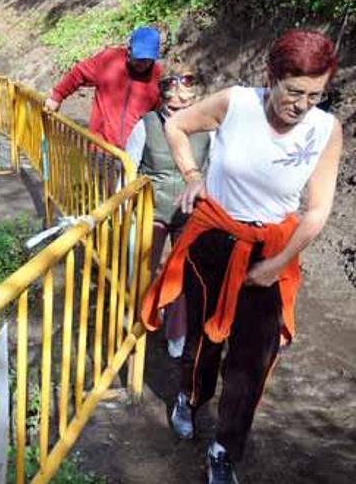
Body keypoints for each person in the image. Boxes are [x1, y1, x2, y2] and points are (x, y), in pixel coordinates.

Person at [140, 30, 344, 484]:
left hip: (273, 250)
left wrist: (277, 264)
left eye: (315, 95)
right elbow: (176, 126)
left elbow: (319, 209)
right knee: (203, 344)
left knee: (254, 357)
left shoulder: (325, 130)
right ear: (271, 77)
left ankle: (224, 448)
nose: (302, 105)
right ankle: (190, 400)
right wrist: (192, 174)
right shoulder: (236, 103)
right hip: (214, 239)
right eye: (294, 92)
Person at [126, 61, 210, 359]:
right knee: (143, 266)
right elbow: (128, 168)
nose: (178, 109)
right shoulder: (146, 124)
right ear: (162, 98)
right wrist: (125, 206)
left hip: (190, 212)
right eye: (171, 104)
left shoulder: (207, 129)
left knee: (185, 273)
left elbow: (214, 170)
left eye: (185, 103)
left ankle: (177, 334)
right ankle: (137, 319)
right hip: (152, 208)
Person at [44, 26, 164, 149]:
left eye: (147, 60)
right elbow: (79, 73)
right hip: (101, 148)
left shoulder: (157, 75)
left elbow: (156, 113)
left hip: (134, 153)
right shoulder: (109, 59)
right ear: (129, 50)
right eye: (138, 58)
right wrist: (57, 96)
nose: (142, 63)